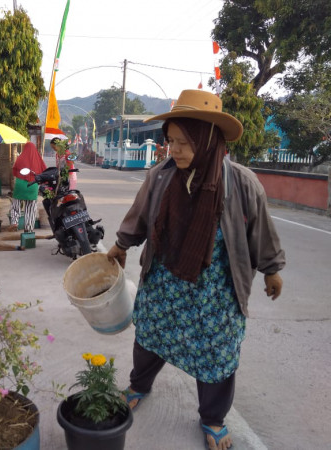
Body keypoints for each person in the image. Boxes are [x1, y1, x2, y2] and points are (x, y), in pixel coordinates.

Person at [106, 90, 285, 450]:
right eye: (170, 141)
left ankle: (213, 418)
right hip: (165, 282)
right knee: (151, 336)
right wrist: (121, 245)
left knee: (218, 355)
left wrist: (272, 269)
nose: (174, 150)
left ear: (206, 140)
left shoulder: (242, 183)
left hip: (215, 294)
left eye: (184, 143)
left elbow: (260, 232)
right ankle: (140, 384)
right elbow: (140, 217)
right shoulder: (160, 177)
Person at [9, 142, 47, 233]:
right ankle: (28, 229)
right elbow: (44, 172)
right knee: (30, 209)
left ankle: (14, 222)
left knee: (16, 205)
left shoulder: (21, 157)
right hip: (33, 185)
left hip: (20, 185)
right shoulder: (38, 159)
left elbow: (14, 171)